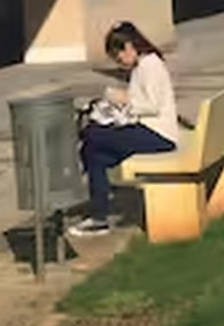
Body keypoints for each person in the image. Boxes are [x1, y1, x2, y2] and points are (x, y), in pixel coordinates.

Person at [70, 22, 179, 236]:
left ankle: (84, 180)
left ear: (129, 47)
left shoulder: (150, 65)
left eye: (118, 56)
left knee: (92, 135)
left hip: (159, 134)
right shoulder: (141, 66)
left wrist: (124, 100)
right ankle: (99, 217)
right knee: (95, 154)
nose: (119, 63)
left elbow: (153, 106)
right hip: (145, 129)